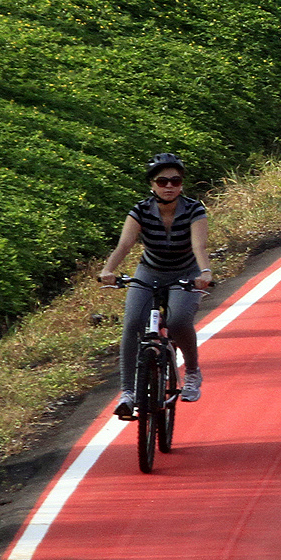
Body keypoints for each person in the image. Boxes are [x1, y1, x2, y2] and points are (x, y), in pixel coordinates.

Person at [98, 153, 214, 419]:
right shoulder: (140, 211)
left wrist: (205, 272)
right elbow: (124, 245)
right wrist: (108, 270)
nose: (169, 186)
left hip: (185, 273)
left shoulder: (194, 209)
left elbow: (199, 246)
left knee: (178, 321)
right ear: (152, 184)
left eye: (176, 181)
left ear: (182, 184)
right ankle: (127, 392)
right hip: (149, 272)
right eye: (162, 181)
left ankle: (192, 373)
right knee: (132, 323)